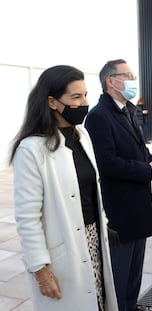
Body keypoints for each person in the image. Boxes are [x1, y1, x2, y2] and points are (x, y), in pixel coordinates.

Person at [10, 65, 118, 311]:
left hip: (93, 239)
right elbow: (27, 217)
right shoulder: (32, 149)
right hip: (63, 250)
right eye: (76, 97)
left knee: (98, 302)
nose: (84, 102)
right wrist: (41, 270)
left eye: (86, 95)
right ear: (52, 102)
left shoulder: (82, 135)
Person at [85, 59, 152, 311]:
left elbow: (139, 146)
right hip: (120, 206)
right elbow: (106, 163)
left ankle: (131, 305)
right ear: (111, 80)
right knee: (120, 271)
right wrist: (144, 170)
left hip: (138, 202)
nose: (133, 80)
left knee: (135, 269)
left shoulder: (128, 109)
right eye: (128, 75)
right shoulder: (99, 116)